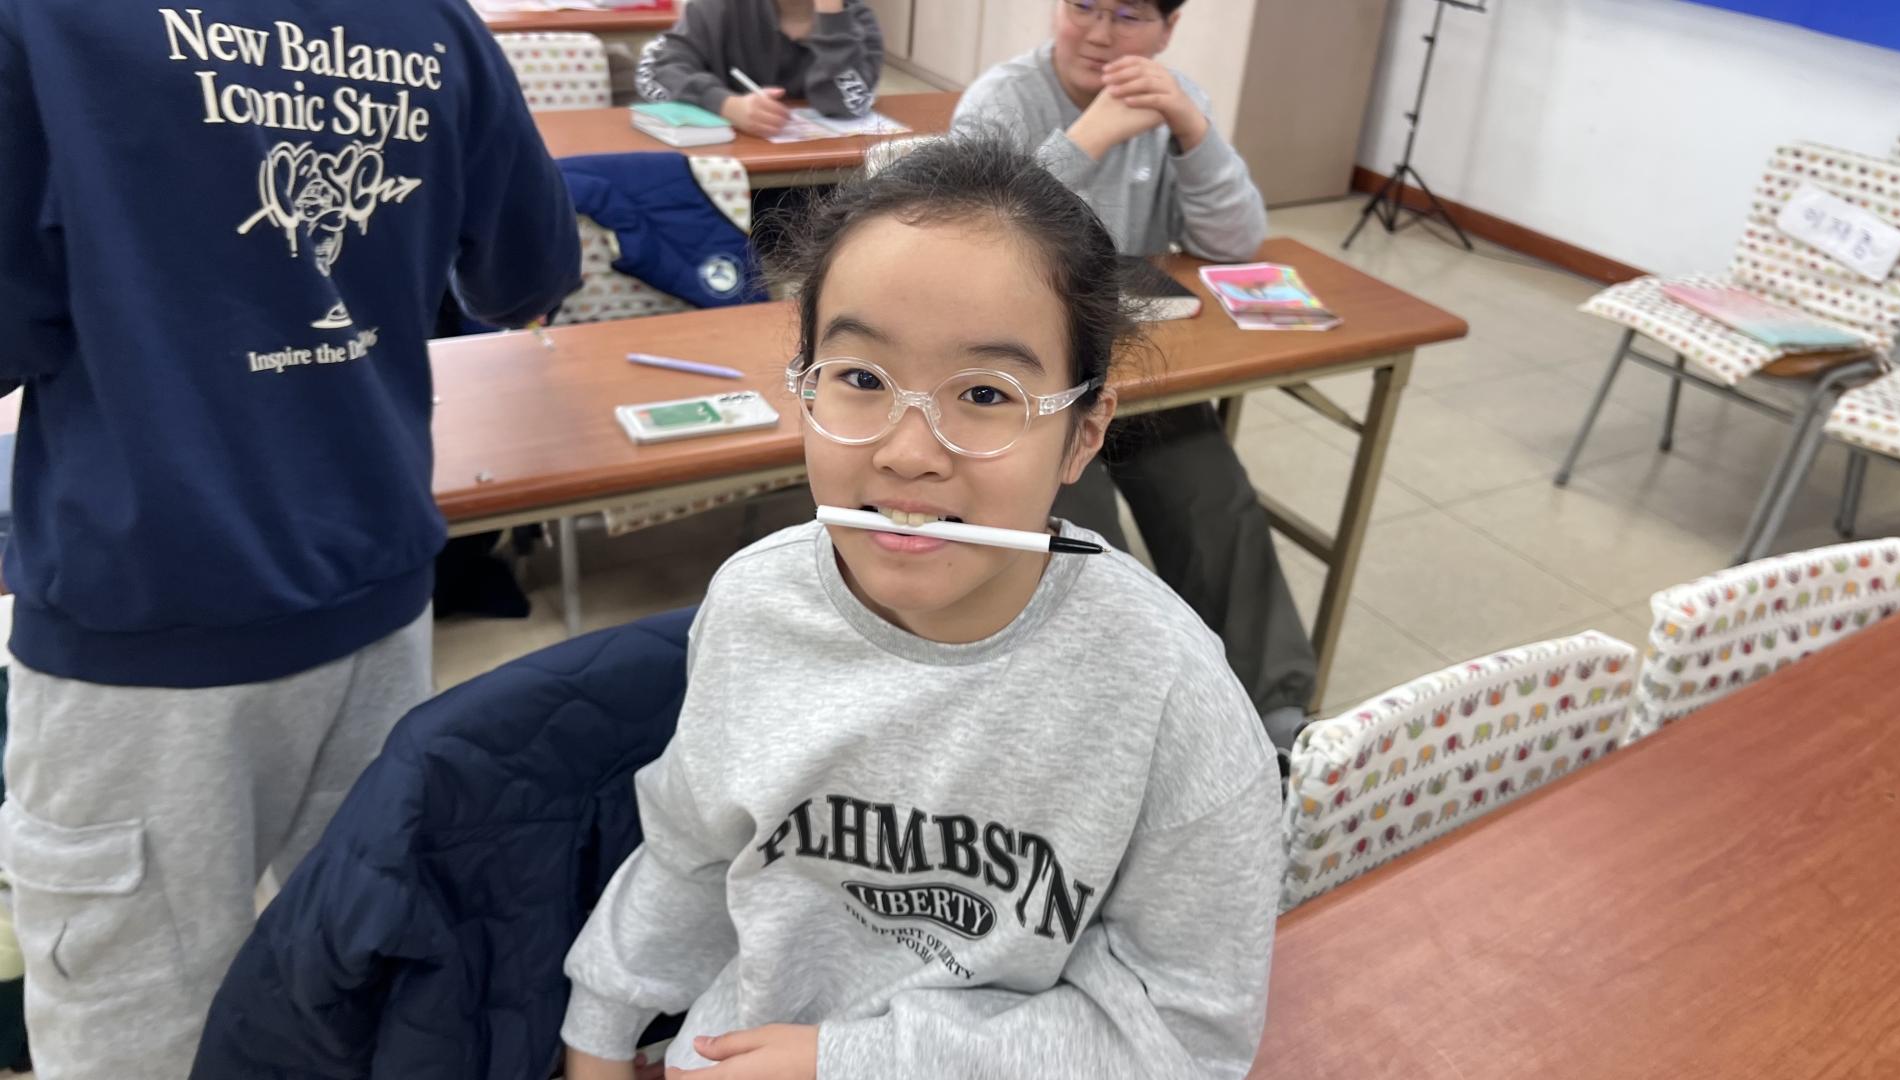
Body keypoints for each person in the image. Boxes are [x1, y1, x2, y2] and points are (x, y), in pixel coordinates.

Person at [560, 139, 1282, 1080]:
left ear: (1082, 435)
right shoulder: (751, 605)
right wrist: (600, 1032)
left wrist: (848, 1063)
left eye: (985, 393)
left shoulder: (1168, 693)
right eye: (861, 380)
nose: (907, 453)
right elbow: (690, 856)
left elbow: (1189, 1036)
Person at [0, 2, 580, 1076]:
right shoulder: (434, 24)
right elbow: (529, 269)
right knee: (358, 996)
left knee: (141, 1038)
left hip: (148, 632)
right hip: (376, 591)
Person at [951, 0, 1317, 756]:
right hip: (1022, 384)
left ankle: (1277, 717)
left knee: (1214, 499)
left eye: (1128, 15)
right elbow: (969, 248)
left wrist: (1192, 129)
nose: (1098, 32)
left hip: (1134, 369)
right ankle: (1116, 718)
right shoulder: (1002, 101)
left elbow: (1235, 241)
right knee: (1084, 529)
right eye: (1082, 6)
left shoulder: (1172, 98)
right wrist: (1088, 139)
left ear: (1168, 29)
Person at [637, 0, 885, 138]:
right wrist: (725, 104)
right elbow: (655, 70)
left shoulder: (855, 20)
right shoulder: (718, 8)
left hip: (824, 177)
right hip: (724, 170)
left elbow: (845, 105)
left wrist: (831, 19)